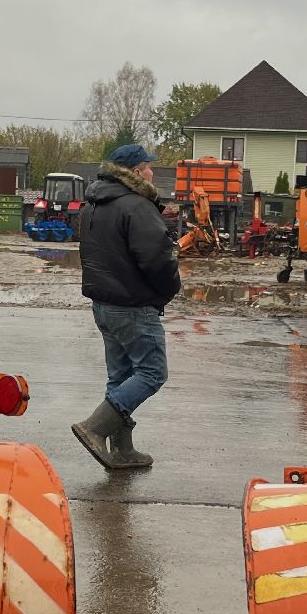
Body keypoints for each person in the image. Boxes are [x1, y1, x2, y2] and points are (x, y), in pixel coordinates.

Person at [72, 143, 180, 470]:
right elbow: (157, 259)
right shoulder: (137, 205)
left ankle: (122, 450)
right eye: (149, 167)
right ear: (136, 172)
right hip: (133, 305)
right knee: (151, 372)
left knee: (120, 377)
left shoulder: (93, 204)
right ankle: (95, 427)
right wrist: (169, 289)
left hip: (103, 304)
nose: (152, 173)